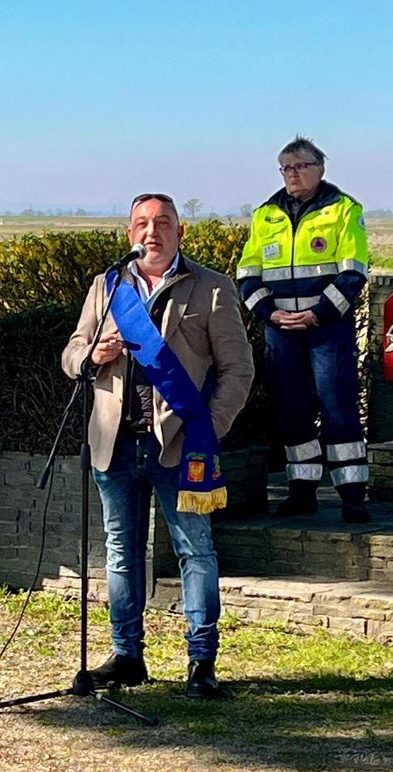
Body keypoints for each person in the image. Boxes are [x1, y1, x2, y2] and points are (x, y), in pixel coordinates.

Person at [62, 193, 254, 698]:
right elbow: (71, 352)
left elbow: (238, 369)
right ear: (130, 234)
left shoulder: (212, 288)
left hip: (180, 446)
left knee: (196, 551)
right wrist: (92, 354)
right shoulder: (108, 287)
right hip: (115, 444)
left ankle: (201, 661)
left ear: (179, 233)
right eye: (143, 224)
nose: (153, 232)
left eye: (163, 223)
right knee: (122, 553)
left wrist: (208, 425)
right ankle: (127, 657)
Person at [237, 137, 370, 522]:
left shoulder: (343, 210)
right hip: (281, 329)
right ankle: (302, 491)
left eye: (300, 166)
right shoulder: (266, 215)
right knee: (292, 410)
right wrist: (270, 314)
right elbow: (247, 273)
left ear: (320, 169)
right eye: (286, 168)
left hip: (328, 328)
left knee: (337, 405)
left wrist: (318, 313)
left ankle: (352, 496)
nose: (292, 174)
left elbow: (353, 271)